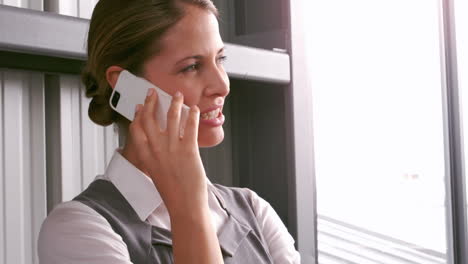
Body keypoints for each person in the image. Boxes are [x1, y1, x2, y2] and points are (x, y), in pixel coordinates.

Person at [38, 0, 301, 263]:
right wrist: (188, 204)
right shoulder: (77, 230)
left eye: (220, 58)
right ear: (126, 85)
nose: (222, 85)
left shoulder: (254, 210)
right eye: (192, 67)